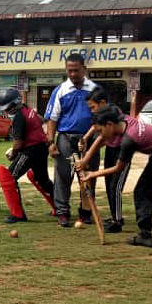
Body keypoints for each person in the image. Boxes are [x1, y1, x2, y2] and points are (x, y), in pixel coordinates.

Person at [78, 105, 152, 248]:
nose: (101, 135)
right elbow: (103, 138)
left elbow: (118, 168)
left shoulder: (128, 140)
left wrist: (93, 174)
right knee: (143, 192)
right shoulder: (123, 121)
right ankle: (145, 235)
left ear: (109, 125)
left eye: (101, 131)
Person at [44, 53, 101, 227]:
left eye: (76, 70)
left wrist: (92, 137)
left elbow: (101, 116)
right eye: (70, 71)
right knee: (62, 176)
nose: (73, 74)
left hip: (89, 139)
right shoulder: (60, 91)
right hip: (66, 139)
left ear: (84, 69)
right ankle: (62, 212)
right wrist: (51, 143)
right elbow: (52, 119)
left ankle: (85, 212)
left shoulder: (94, 89)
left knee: (88, 176)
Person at [0, 88, 55, 224]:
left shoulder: (19, 117)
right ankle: (60, 208)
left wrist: (12, 154)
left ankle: (18, 215)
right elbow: (43, 121)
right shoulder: (29, 110)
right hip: (41, 148)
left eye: (8, 108)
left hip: (30, 151)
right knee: (43, 180)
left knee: (9, 177)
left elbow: (18, 144)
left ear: (14, 104)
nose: (6, 111)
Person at [79, 89, 124, 233]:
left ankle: (117, 221)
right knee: (109, 183)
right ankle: (114, 217)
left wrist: (85, 160)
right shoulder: (101, 115)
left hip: (122, 151)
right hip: (111, 149)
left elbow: (100, 138)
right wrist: (85, 138)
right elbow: (94, 128)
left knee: (115, 187)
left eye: (93, 107)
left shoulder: (113, 112)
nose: (92, 111)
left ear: (102, 103)